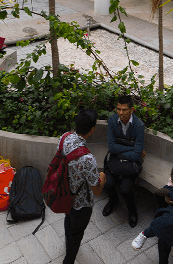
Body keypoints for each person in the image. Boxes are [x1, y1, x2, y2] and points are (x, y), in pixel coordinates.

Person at [59, 108, 106, 264]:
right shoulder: (88, 158)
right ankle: (69, 259)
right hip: (81, 204)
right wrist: (102, 177)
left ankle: (68, 243)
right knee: (77, 233)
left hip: (64, 193)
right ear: (92, 130)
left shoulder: (64, 138)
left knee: (68, 219)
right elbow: (97, 191)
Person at [103, 94, 146, 227]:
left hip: (131, 163)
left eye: (124, 110)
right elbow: (111, 147)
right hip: (116, 159)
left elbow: (137, 155)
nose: (121, 113)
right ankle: (113, 200)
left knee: (125, 189)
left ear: (132, 110)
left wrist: (122, 151)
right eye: (118, 109)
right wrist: (132, 147)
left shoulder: (139, 125)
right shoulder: (112, 120)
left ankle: (132, 210)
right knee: (107, 183)